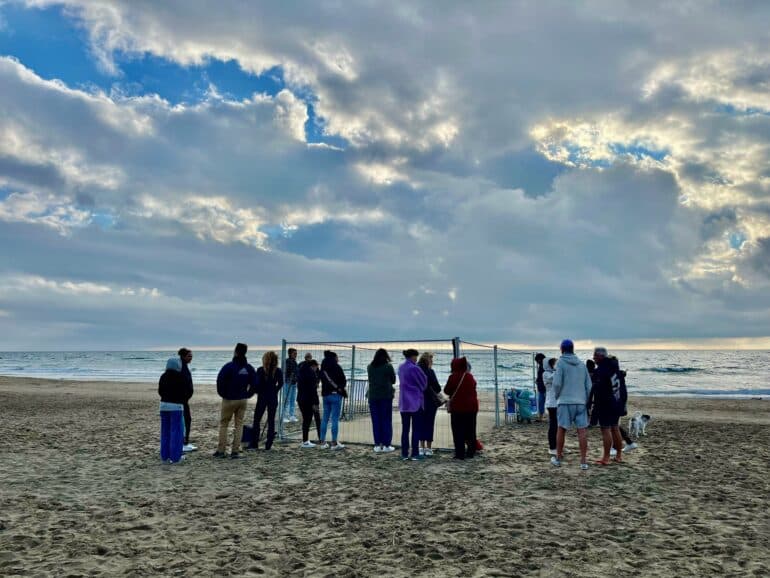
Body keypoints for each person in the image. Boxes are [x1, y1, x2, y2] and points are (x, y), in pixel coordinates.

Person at [552, 339, 592, 470]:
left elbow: (557, 383)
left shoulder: (560, 363)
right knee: (582, 431)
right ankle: (583, 461)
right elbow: (589, 386)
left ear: (561, 349)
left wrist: (557, 396)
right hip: (580, 401)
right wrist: (586, 400)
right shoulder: (581, 365)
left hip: (565, 401)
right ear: (573, 349)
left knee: (561, 429)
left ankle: (558, 457)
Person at [215, 343, 257, 459]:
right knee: (239, 425)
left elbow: (220, 381)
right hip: (242, 399)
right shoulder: (248, 368)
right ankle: (235, 451)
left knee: (224, 424)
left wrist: (223, 394)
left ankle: (221, 450)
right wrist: (248, 394)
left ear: (236, 352)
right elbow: (255, 383)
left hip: (229, 399)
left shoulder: (229, 366)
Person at [590, 347, 626, 465]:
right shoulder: (615, 368)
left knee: (606, 429)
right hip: (617, 402)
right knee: (615, 428)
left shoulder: (602, 370)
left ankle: (606, 457)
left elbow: (598, 389)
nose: (593, 358)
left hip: (605, 403)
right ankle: (619, 456)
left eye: (595, 356)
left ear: (601, 356)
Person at [444, 356, 478, 460]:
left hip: (458, 408)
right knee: (471, 430)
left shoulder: (453, 377)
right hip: (471, 407)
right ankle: (471, 452)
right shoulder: (469, 376)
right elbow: (474, 387)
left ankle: (460, 453)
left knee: (458, 431)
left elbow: (447, 390)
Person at [158, 357, 192, 463]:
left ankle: (165, 456)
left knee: (165, 431)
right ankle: (175, 457)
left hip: (163, 406)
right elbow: (187, 392)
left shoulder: (163, 376)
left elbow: (160, 391)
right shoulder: (181, 377)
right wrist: (182, 400)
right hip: (176, 407)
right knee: (176, 432)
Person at [248, 351, 284, 451]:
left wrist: (256, 391)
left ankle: (254, 443)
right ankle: (268, 444)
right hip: (272, 397)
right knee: (271, 420)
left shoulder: (260, 370)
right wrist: (275, 390)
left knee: (257, 420)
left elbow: (256, 384)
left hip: (262, 397)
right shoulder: (278, 371)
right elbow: (281, 383)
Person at [398, 349, 427, 461]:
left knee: (405, 429)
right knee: (416, 429)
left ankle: (404, 453)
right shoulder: (415, 368)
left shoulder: (401, 367)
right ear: (412, 357)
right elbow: (423, 383)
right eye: (415, 357)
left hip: (404, 402)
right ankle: (415, 453)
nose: (416, 359)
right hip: (415, 402)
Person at [367, 348, 396, 453]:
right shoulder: (388, 366)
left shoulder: (370, 367)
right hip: (385, 396)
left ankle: (377, 445)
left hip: (373, 396)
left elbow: (371, 380)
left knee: (376, 421)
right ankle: (387, 444)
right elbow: (393, 380)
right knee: (386, 420)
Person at [319, 350, 347, 450]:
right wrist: (340, 388)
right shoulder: (337, 367)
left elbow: (320, 380)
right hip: (335, 395)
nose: (338, 359)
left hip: (325, 395)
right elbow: (343, 380)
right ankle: (334, 443)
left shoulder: (323, 368)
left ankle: (322, 442)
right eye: (337, 357)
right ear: (334, 358)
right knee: (335, 419)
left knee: (325, 418)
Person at [418, 352, 442, 456]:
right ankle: (428, 448)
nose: (432, 362)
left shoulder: (416, 371)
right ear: (428, 360)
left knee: (420, 424)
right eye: (431, 359)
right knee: (429, 424)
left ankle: (421, 447)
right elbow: (438, 388)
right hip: (430, 401)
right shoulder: (430, 371)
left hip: (419, 401)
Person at [296, 358, 322, 448]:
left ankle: (305, 440)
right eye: (316, 367)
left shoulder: (301, 373)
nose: (316, 369)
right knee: (311, 419)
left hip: (301, 399)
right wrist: (315, 403)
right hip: (309, 400)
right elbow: (312, 391)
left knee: (306, 420)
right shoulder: (311, 374)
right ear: (313, 366)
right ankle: (310, 441)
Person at [178, 348, 197, 452]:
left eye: (191, 356)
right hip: (182, 400)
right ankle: (183, 443)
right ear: (183, 356)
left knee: (187, 420)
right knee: (186, 420)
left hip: (185, 400)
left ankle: (185, 441)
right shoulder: (181, 368)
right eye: (189, 356)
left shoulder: (184, 367)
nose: (191, 358)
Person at [543, 357, 558, 455]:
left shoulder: (554, 373)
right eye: (554, 364)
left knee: (559, 426)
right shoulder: (546, 374)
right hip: (551, 403)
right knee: (553, 425)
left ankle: (559, 446)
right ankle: (552, 447)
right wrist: (559, 370)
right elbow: (552, 378)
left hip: (558, 402)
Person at [282, 348, 299, 423]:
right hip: (287, 383)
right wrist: (289, 378)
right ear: (290, 354)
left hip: (294, 383)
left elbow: (296, 372)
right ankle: (284, 416)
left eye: (296, 353)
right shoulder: (287, 361)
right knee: (287, 400)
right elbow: (285, 372)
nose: (296, 355)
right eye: (294, 353)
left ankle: (291, 415)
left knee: (293, 399)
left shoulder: (295, 362)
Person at [535, 352, 546, 421]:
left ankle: (541, 417)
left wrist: (538, 380)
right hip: (542, 387)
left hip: (543, 387)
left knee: (542, 402)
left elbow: (542, 377)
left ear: (539, 360)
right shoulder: (543, 365)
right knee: (541, 402)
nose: (537, 362)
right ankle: (541, 417)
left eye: (537, 361)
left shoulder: (543, 366)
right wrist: (537, 380)